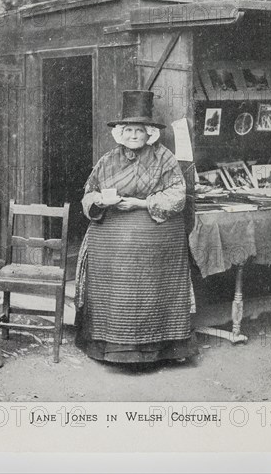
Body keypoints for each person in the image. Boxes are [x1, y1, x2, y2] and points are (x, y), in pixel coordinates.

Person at [74, 90, 197, 364]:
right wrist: (101, 201)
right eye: (128, 130)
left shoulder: (164, 158)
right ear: (120, 133)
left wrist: (140, 204)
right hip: (111, 240)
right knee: (111, 280)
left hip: (155, 237)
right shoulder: (108, 160)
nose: (132, 136)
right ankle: (109, 346)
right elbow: (89, 193)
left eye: (138, 131)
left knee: (148, 284)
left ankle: (158, 349)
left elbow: (177, 195)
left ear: (149, 133)